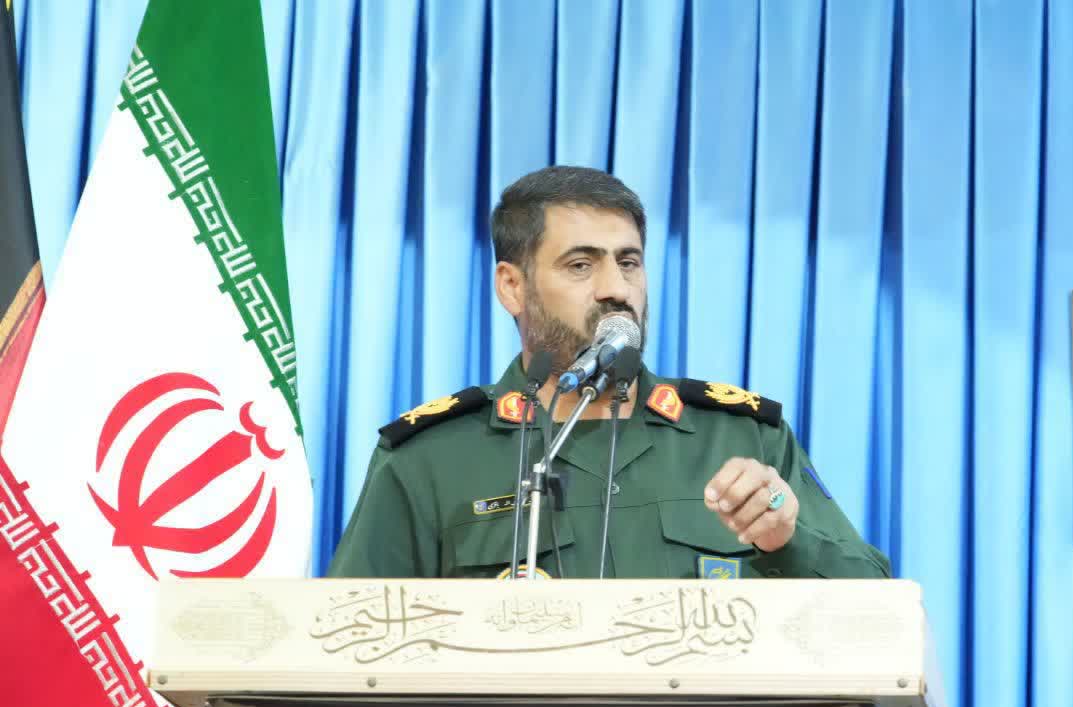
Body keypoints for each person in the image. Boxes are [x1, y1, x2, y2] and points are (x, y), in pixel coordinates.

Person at [325, 166, 889, 580]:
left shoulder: (741, 439)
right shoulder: (429, 460)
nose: (616, 289)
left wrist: (784, 538)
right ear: (512, 286)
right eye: (580, 265)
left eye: (629, 262)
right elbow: (351, 647)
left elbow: (874, 606)